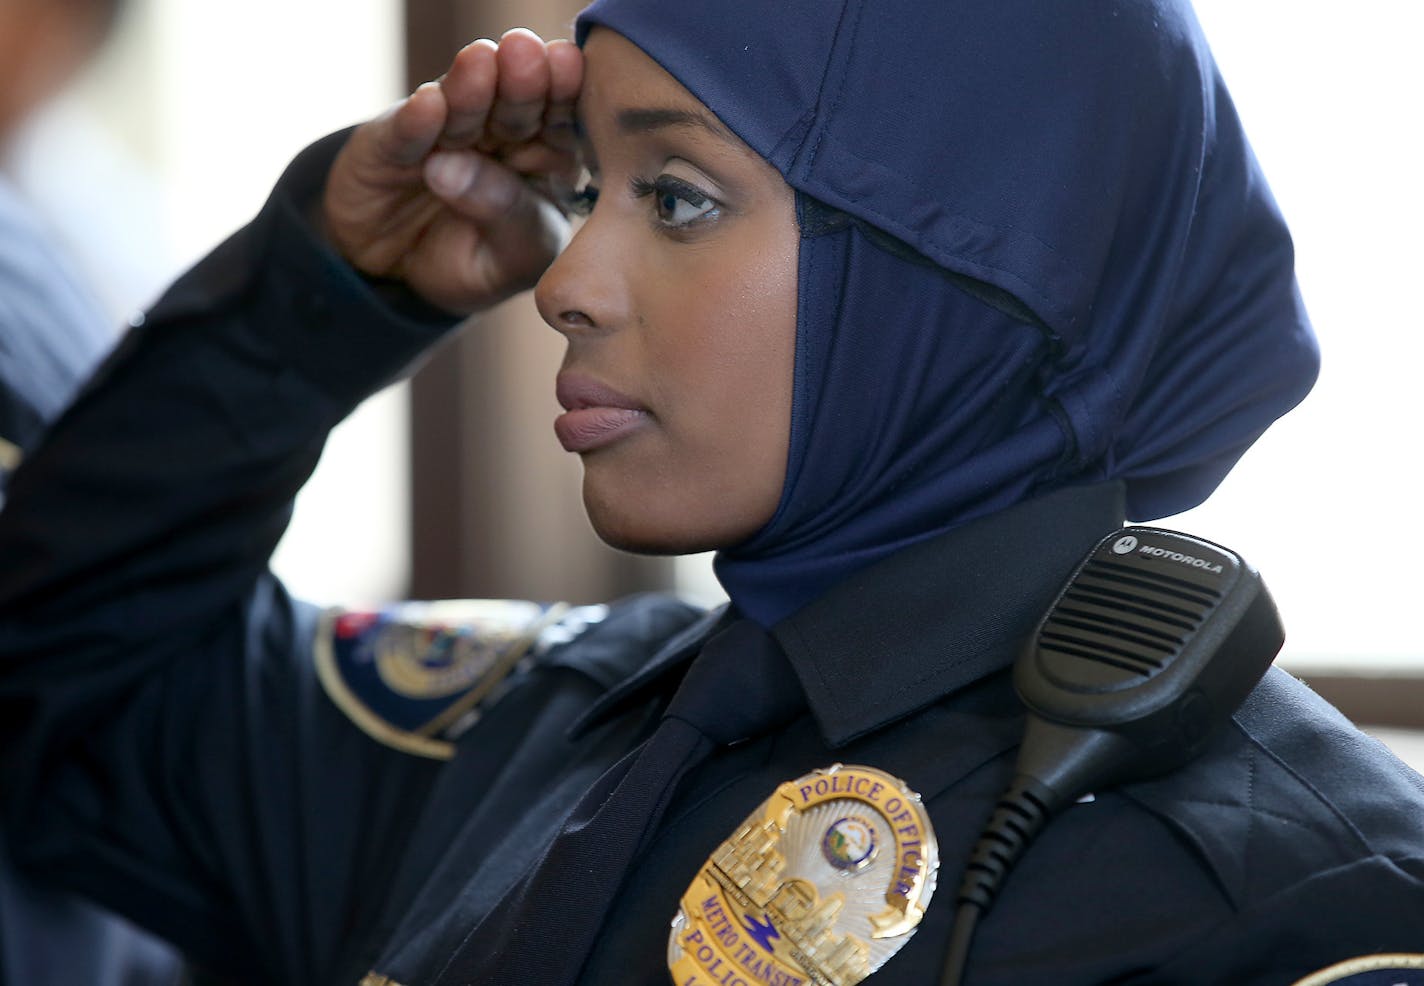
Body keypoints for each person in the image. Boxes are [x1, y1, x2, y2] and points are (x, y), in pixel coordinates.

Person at [1, 3, 1422, 986]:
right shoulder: (548, 724)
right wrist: (323, 292)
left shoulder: (1287, 903)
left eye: (675, 195)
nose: (562, 281)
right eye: (582, 181)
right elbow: (66, 697)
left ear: (964, 269)